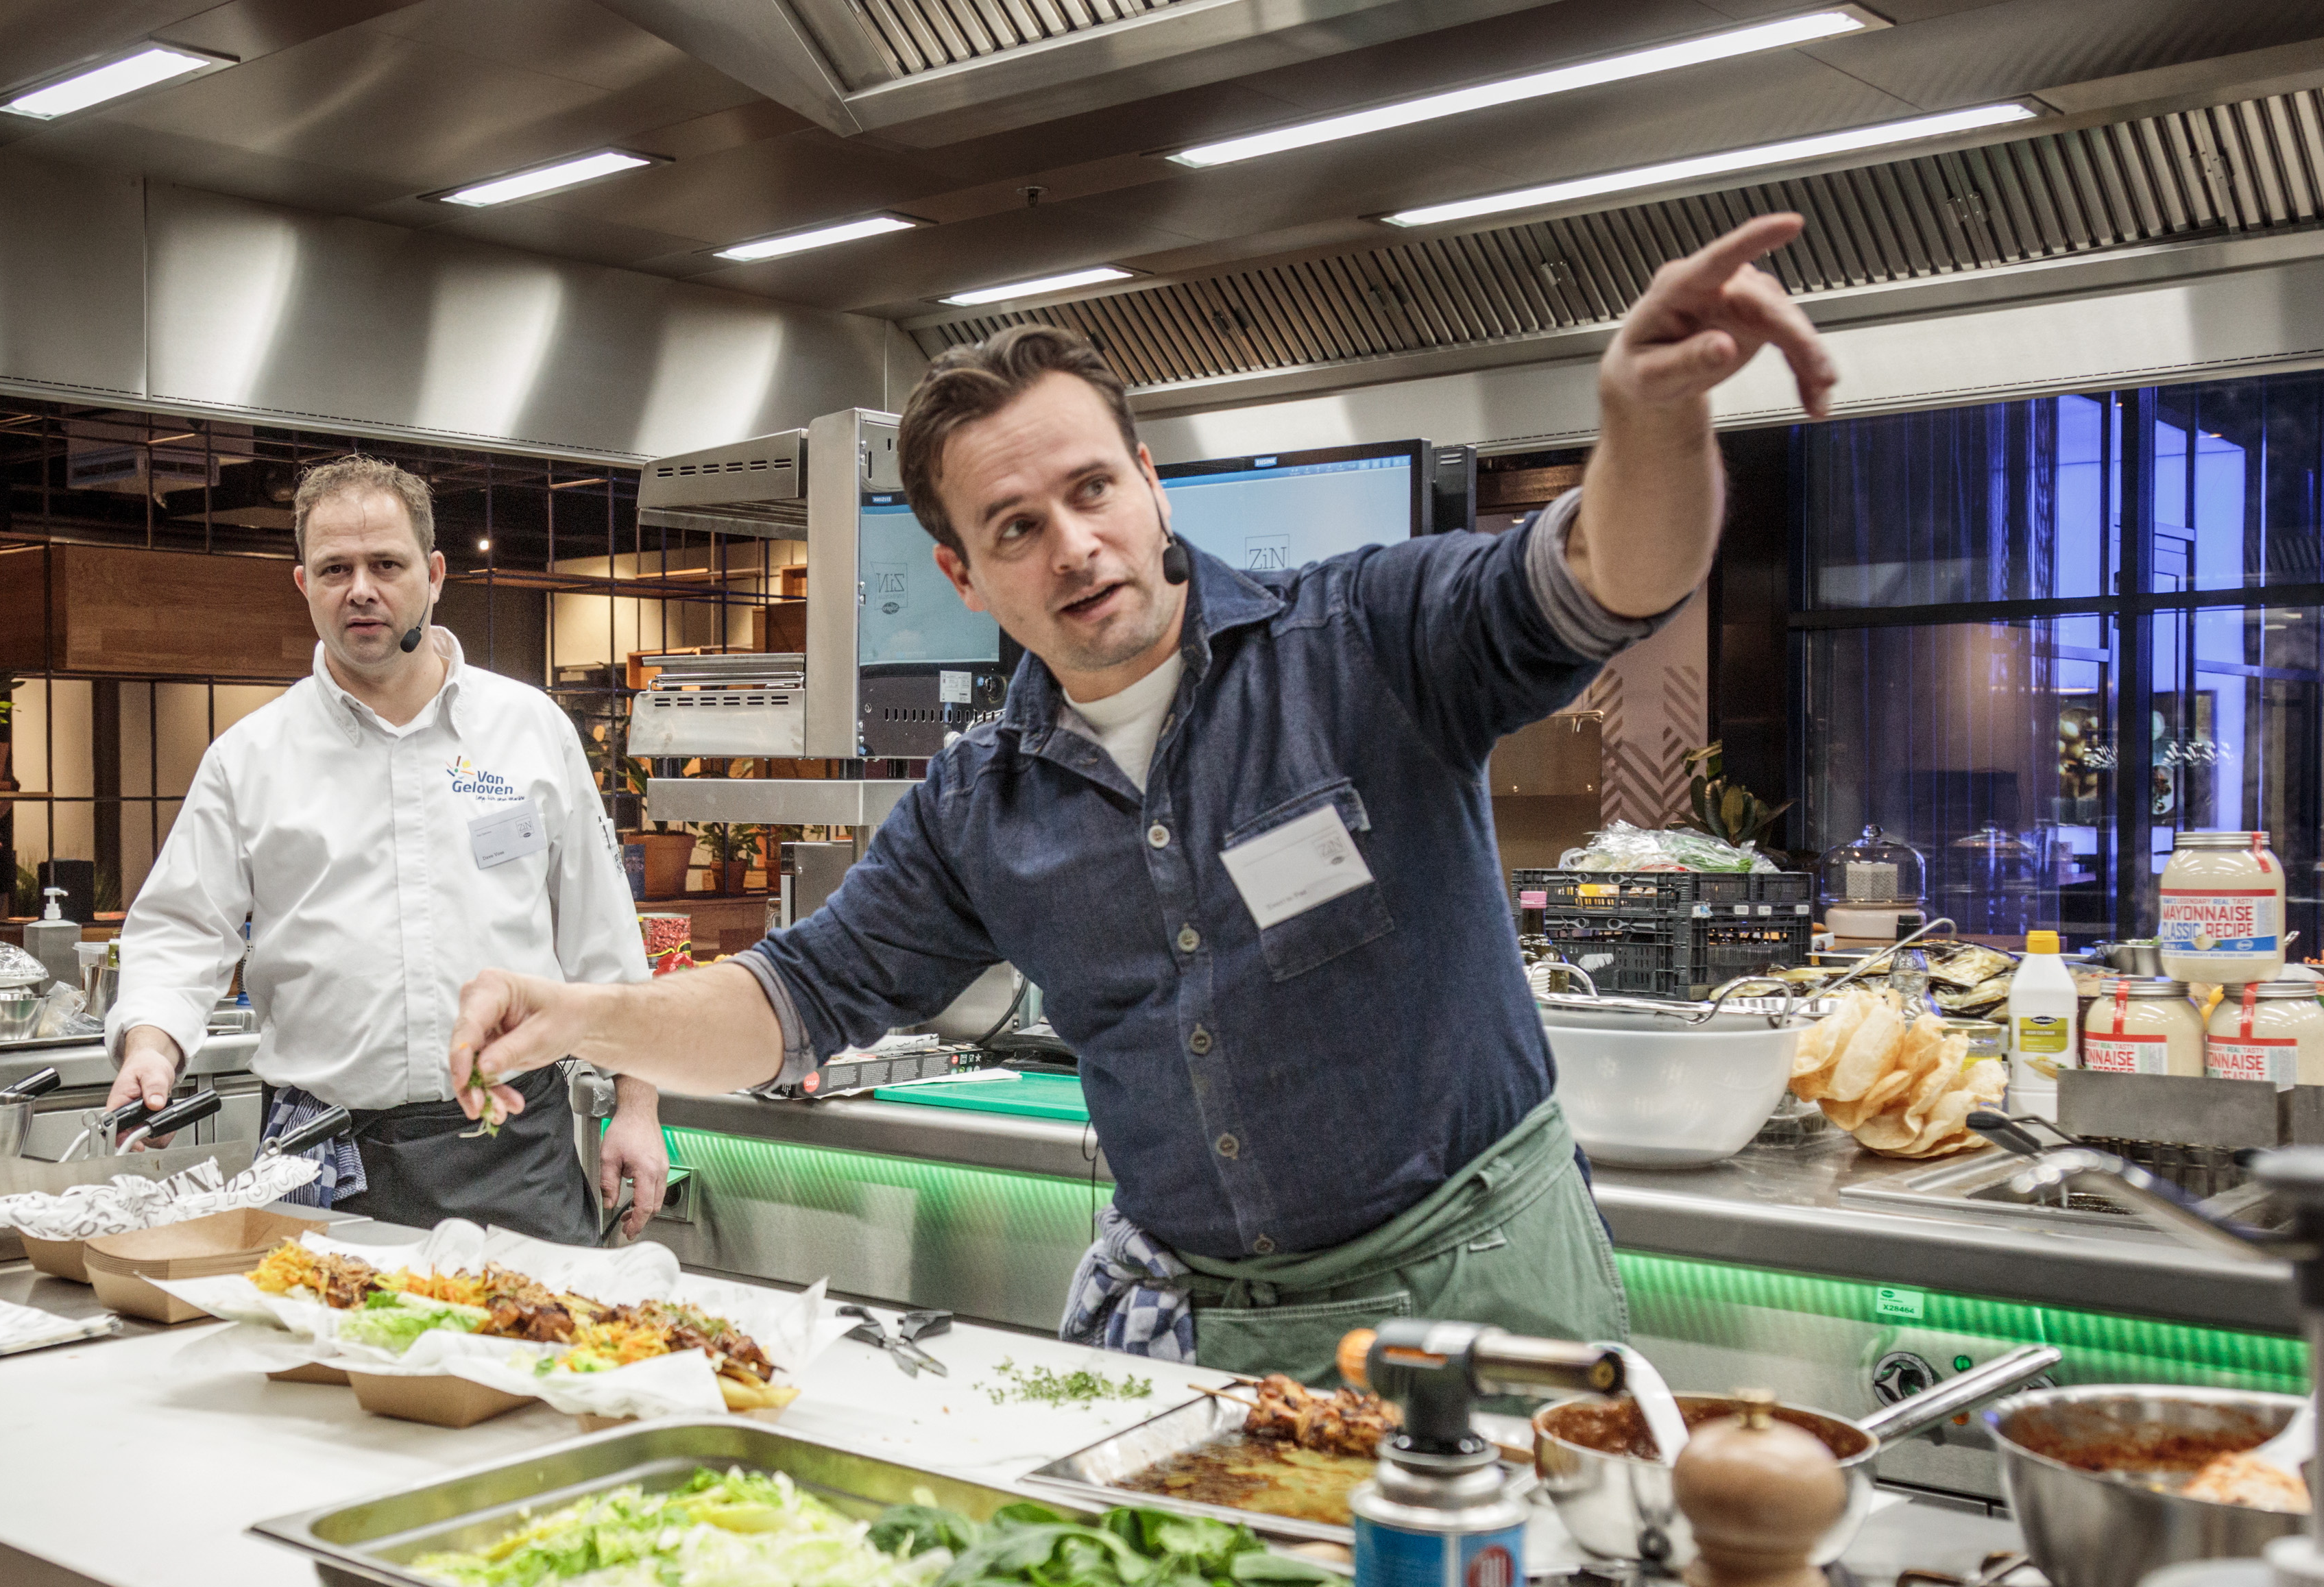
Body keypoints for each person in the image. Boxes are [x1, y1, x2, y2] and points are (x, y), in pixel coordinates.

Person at [443, 214, 1837, 1377]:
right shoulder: (979, 807)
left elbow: (1608, 574)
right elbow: (787, 1001)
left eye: (1092, 488)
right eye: (1015, 526)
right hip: (1212, 1332)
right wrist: (578, 1017)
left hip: (1478, 1303)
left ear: (1151, 485)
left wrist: (1648, 426)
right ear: (965, 577)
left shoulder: (1365, 642)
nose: (1074, 544)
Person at [101, 453, 665, 1243]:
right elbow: (180, 931)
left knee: (539, 1360)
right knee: (317, 1365)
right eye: (334, 567)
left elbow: (604, 942)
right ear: (303, 585)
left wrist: (636, 1108)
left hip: (513, 1148)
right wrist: (152, 1047)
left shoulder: (529, 729)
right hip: (321, 1156)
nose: (360, 588)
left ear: (434, 575)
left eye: (385, 564)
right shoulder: (251, 756)